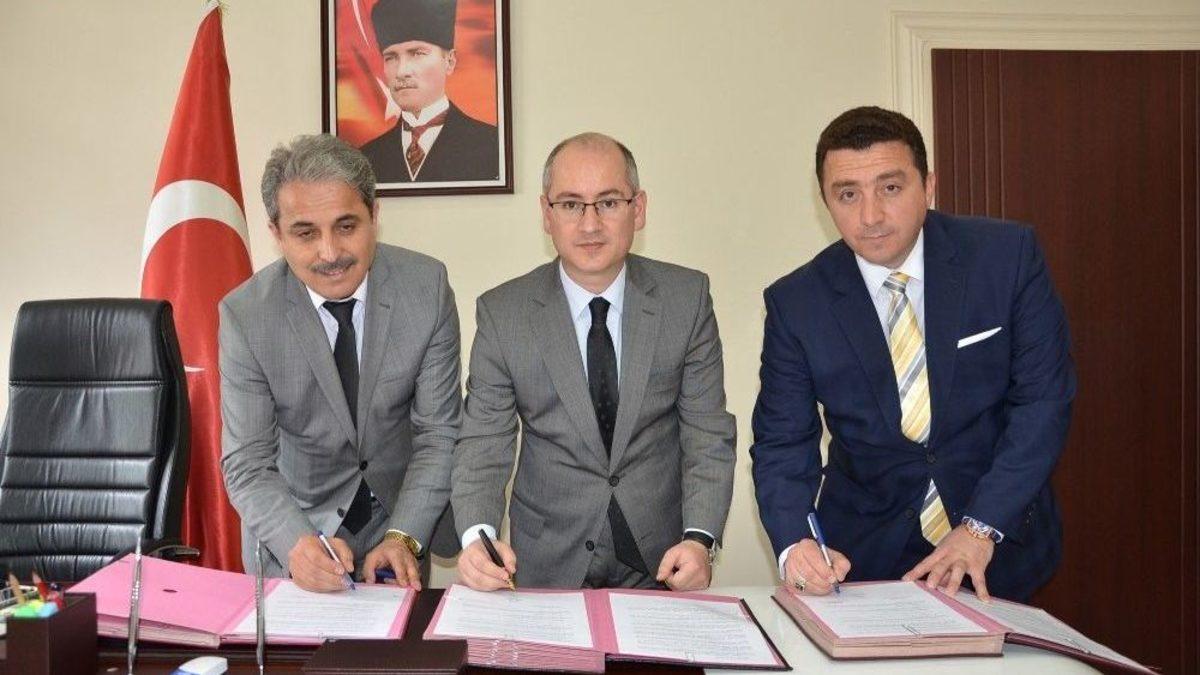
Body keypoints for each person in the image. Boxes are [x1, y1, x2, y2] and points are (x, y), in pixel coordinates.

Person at [751, 106, 1076, 603]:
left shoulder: (1006, 257)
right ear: (825, 201)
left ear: (928, 186)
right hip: (864, 558)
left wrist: (981, 525)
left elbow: (1042, 401)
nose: (870, 216)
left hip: (999, 543)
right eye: (848, 194)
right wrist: (796, 543)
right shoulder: (796, 303)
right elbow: (783, 442)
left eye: (890, 187)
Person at [452, 132, 737, 591]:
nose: (590, 225)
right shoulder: (504, 313)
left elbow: (706, 431)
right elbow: (484, 443)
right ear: (546, 214)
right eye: (570, 204)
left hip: (662, 559)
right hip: (546, 559)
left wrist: (700, 539)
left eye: (608, 202)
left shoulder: (687, 299)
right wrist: (477, 538)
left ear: (638, 209)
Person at [220, 134, 461, 592]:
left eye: (346, 226)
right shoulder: (246, 316)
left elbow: (438, 433)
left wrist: (403, 536)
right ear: (276, 234)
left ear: (375, 215)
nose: (330, 253)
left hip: (398, 525)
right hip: (297, 532)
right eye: (305, 233)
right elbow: (247, 462)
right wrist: (297, 543)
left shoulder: (425, 289)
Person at [359, 0, 499, 183]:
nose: (401, 71)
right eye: (390, 57)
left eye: (417, 53)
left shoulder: (492, 146)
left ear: (450, 61)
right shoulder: (366, 159)